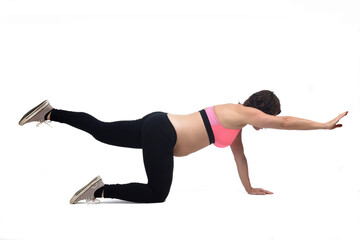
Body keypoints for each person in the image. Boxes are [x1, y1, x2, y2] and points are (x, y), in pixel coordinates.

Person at [18, 90, 348, 204]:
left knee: (102, 131)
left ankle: (49, 112)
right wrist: (323, 125)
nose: (267, 124)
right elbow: (287, 122)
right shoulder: (240, 112)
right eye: (267, 118)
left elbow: (240, 157)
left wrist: (248, 188)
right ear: (260, 111)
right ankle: (101, 191)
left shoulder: (236, 127)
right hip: (164, 134)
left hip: (159, 125)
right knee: (158, 193)